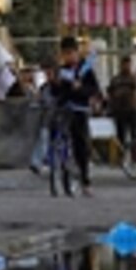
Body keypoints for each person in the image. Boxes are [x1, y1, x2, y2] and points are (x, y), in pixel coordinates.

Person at [51, 36, 101, 196]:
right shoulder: (62, 70)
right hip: (65, 109)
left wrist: (80, 88)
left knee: (81, 145)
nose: (68, 57)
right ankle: (57, 166)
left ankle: (86, 181)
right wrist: (55, 84)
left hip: (80, 110)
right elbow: (57, 93)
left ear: (77, 52)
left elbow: (94, 89)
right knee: (57, 134)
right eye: (65, 54)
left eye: (70, 53)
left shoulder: (86, 70)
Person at [107, 54, 136, 148]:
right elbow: (110, 92)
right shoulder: (115, 79)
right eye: (124, 64)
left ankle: (135, 153)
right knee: (120, 133)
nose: (126, 67)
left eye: (128, 64)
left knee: (134, 133)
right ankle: (121, 153)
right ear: (121, 65)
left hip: (131, 108)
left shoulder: (133, 78)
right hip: (119, 110)